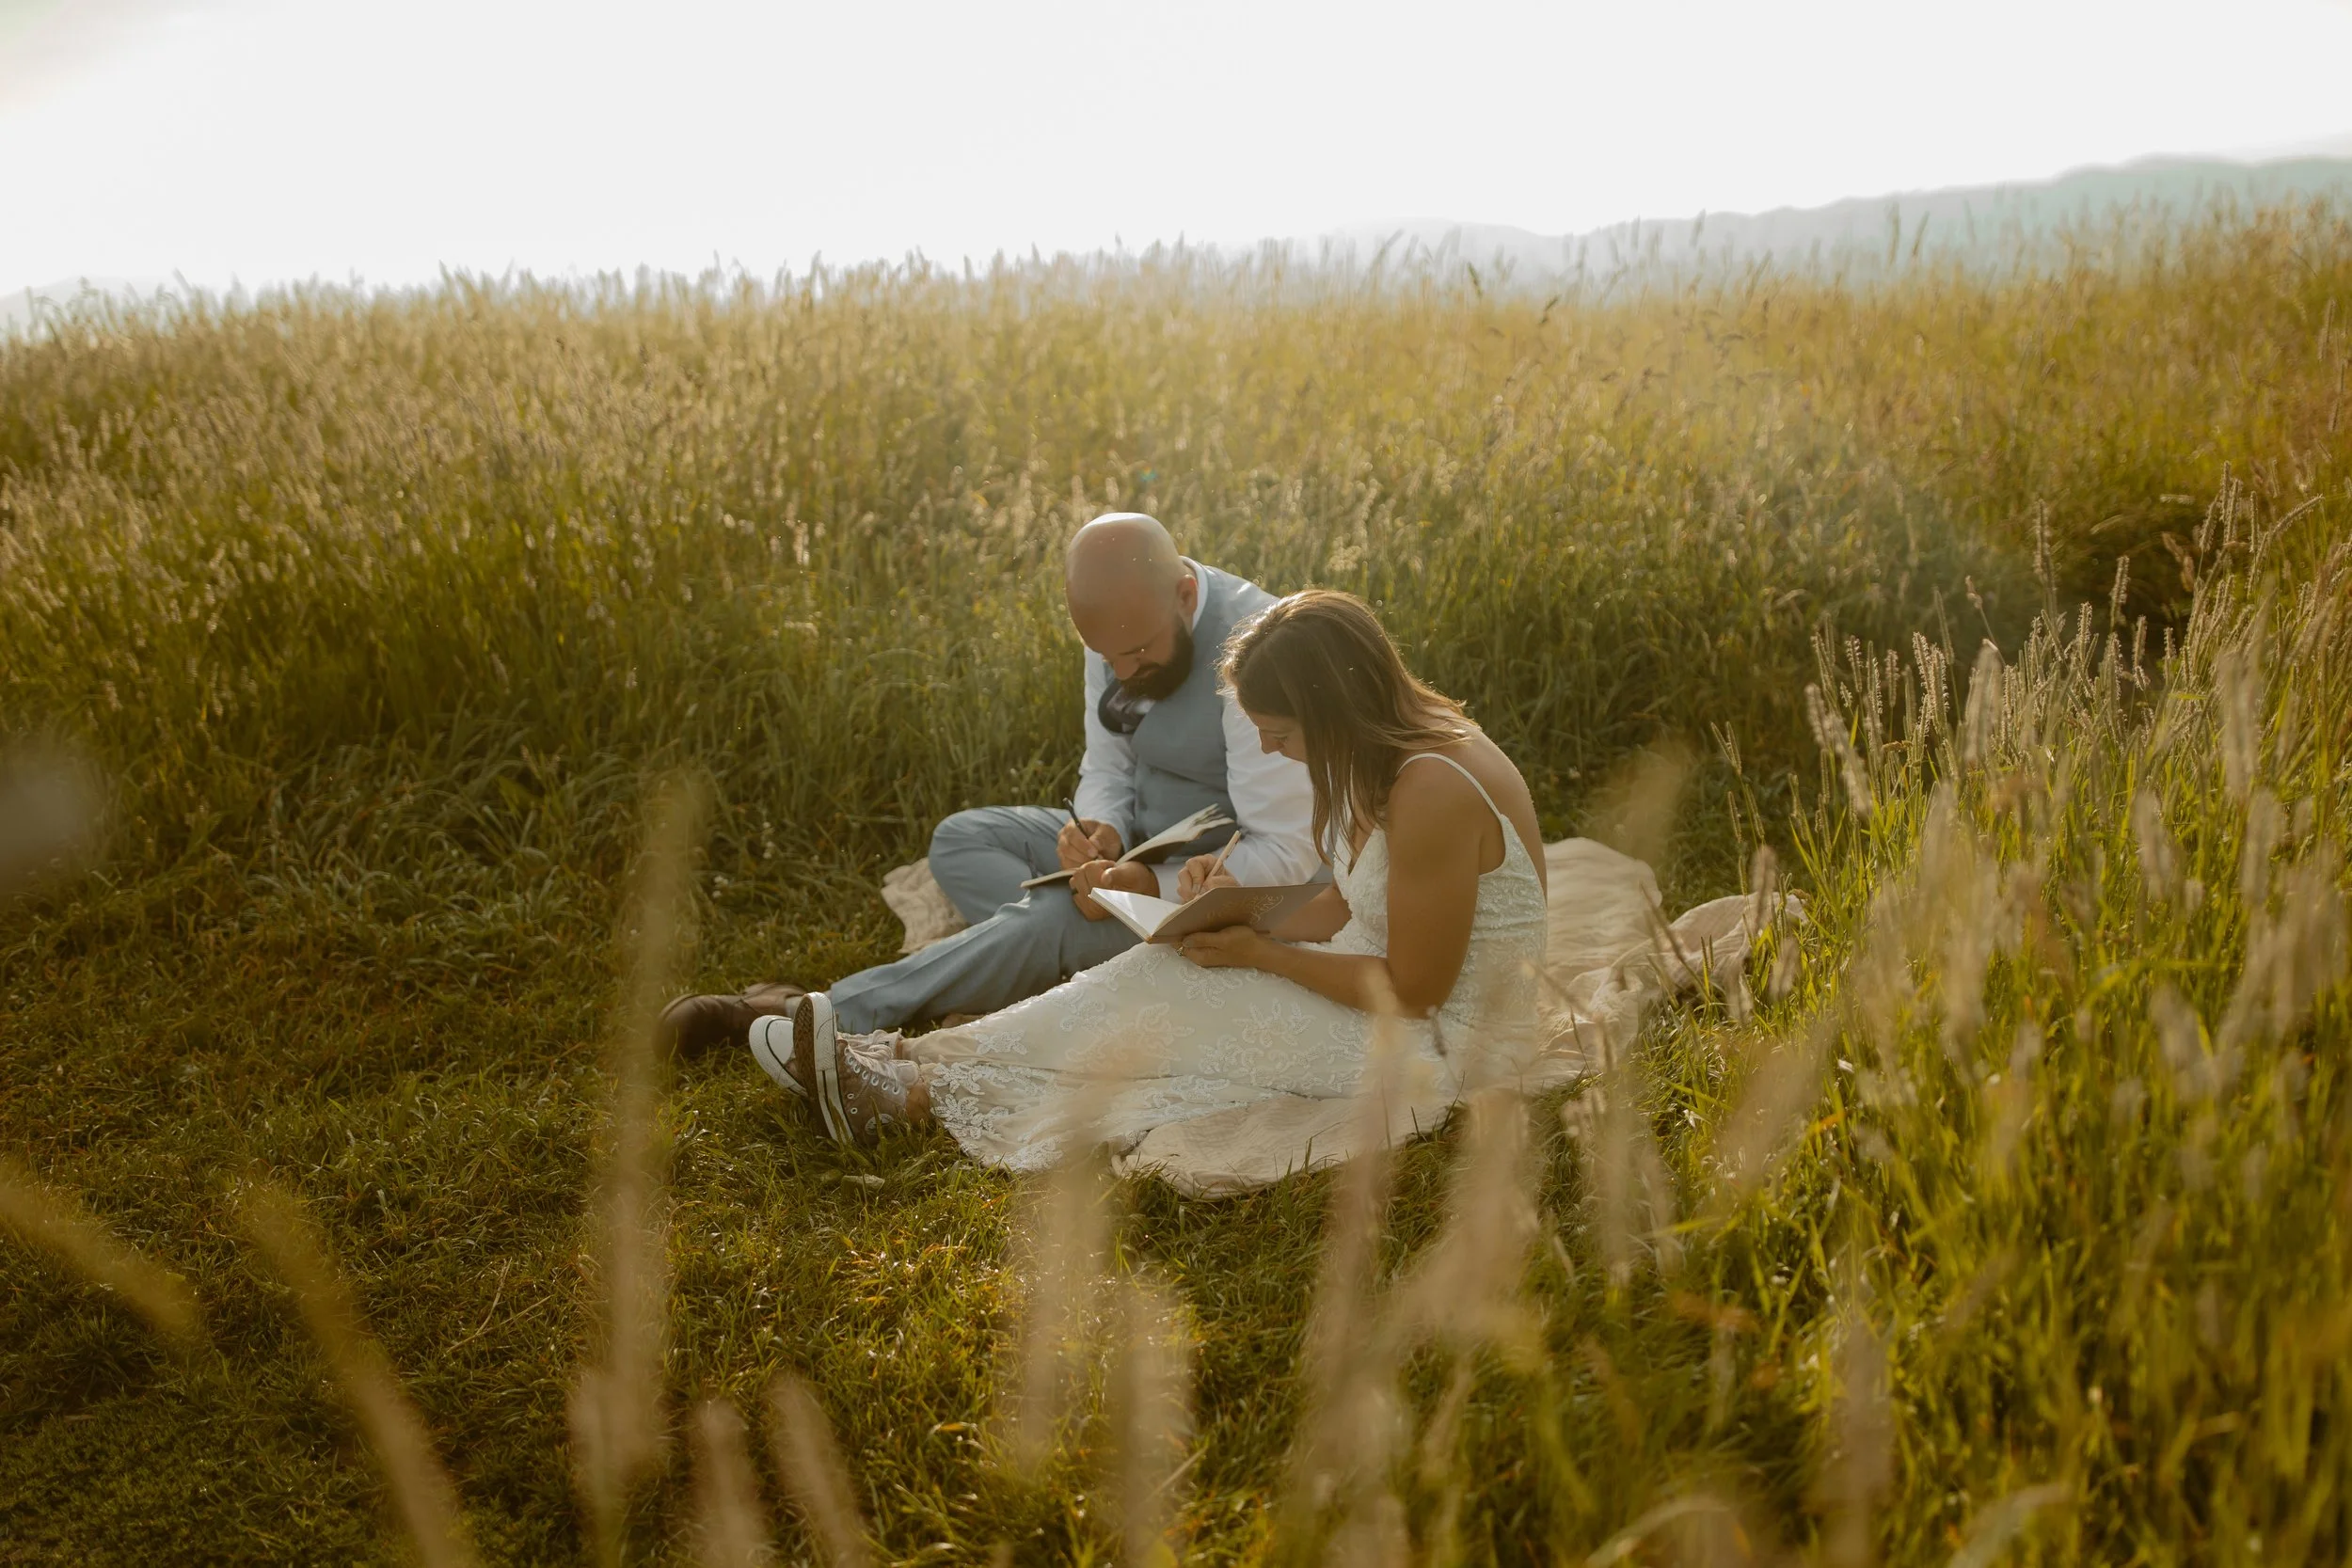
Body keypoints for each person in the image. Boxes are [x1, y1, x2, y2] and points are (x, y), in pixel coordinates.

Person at [758, 589, 1550, 1164]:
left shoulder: (1435, 787)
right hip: (1377, 979)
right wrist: (1244, 920)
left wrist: (1262, 954)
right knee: (1165, 964)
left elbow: (1417, 989)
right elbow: (1345, 897)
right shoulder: (1376, 754)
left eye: (1279, 733)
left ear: (1334, 708)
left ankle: (916, 1093)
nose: (1272, 752)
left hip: (1445, 1040)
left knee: (1177, 1017)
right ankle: (916, 1062)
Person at [657, 513, 1322, 1078]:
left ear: (1182, 593)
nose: (1121, 673)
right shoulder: (1123, 620)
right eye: (1104, 656)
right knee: (963, 839)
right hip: (1128, 854)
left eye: (1137, 654)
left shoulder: (1255, 649)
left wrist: (1143, 880)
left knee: (1042, 919)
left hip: (1195, 888)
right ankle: (1046, 965)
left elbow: (1285, 852)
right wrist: (1102, 832)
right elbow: (1109, 762)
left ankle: (816, 1013)